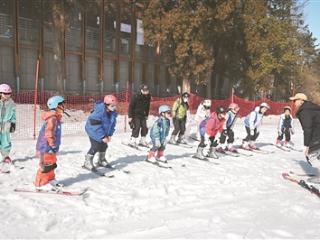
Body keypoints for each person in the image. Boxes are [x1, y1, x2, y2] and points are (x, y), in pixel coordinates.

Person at [34, 95, 65, 189]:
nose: (64, 106)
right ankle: (40, 183)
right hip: (46, 146)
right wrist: (52, 143)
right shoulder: (52, 119)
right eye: (62, 104)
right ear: (56, 106)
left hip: (51, 146)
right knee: (46, 165)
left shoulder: (56, 118)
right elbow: (49, 132)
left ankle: (50, 179)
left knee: (52, 163)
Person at [83, 95, 117, 171]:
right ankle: (87, 162)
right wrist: (102, 136)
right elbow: (95, 125)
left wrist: (109, 134)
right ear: (106, 104)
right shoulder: (99, 111)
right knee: (96, 145)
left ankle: (101, 160)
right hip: (93, 130)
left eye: (115, 105)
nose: (114, 107)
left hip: (103, 131)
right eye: (112, 106)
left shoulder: (112, 112)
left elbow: (112, 124)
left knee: (104, 146)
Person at [289, 93, 320, 162]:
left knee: (312, 155)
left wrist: (307, 145)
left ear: (301, 101)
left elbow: (307, 129)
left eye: (295, 101)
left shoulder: (305, 111)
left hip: (317, 137)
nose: (294, 103)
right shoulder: (312, 108)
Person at [0, 84, 16, 173]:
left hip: (6, 124)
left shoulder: (11, 103)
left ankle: (6, 156)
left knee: (6, 141)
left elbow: (13, 114)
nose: (7, 95)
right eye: (5, 93)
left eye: (9, 93)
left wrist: (13, 123)